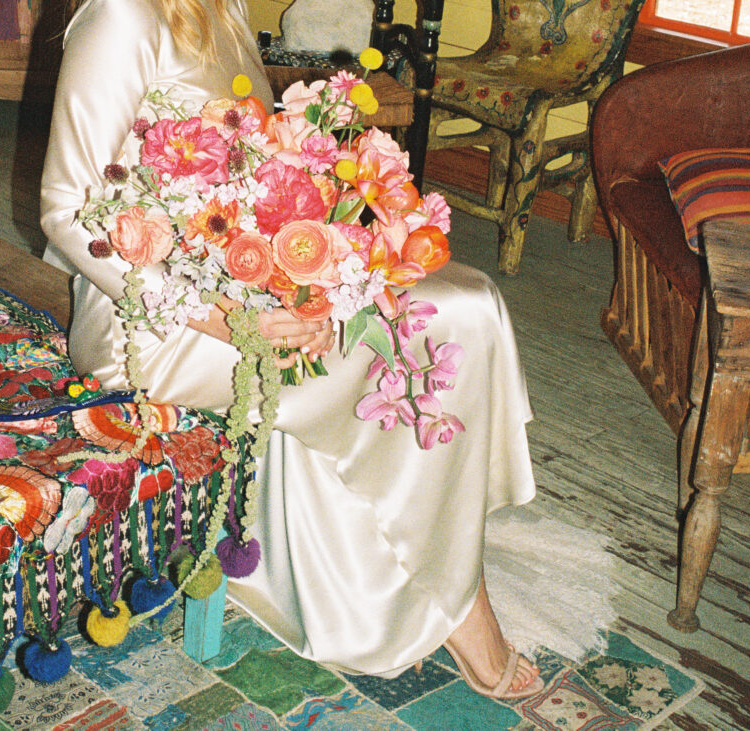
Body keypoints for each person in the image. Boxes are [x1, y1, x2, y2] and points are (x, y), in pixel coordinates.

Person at [40, 0, 543, 698]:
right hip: (155, 328)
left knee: (467, 301)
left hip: (243, 285)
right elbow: (66, 209)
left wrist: (316, 269)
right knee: (440, 323)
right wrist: (229, 319)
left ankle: (432, 551)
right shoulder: (122, 15)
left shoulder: (223, 7)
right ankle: (461, 597)